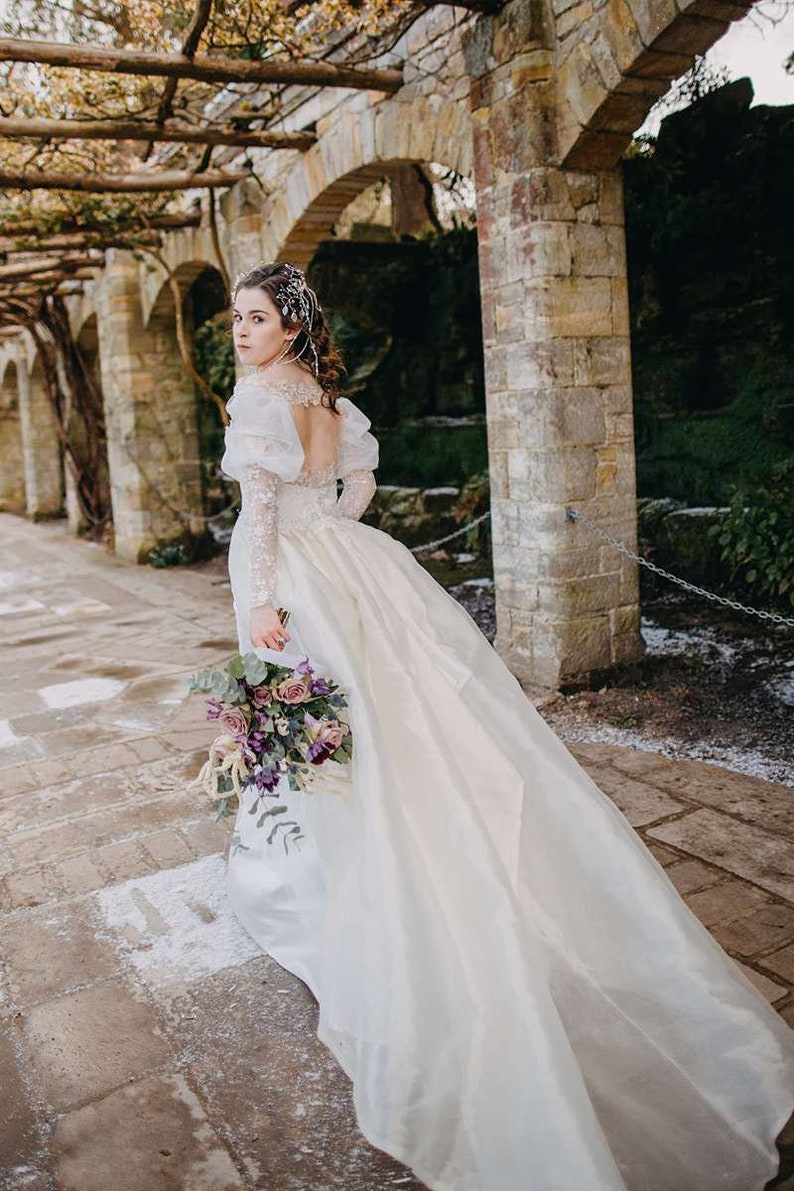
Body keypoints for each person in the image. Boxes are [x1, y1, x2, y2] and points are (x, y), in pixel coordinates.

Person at [221, 261, 793, 1191]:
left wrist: (259, 607)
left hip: (296, 591)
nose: (239, 332)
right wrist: (329, 531)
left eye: (253, 318)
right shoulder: (327, 396)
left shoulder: (256, 403)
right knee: (394, 733)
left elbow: (254, 522)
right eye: (235, 318)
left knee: (328, 745)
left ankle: (339, 889)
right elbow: (358, 492)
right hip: (361, 571)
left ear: (289, 325)